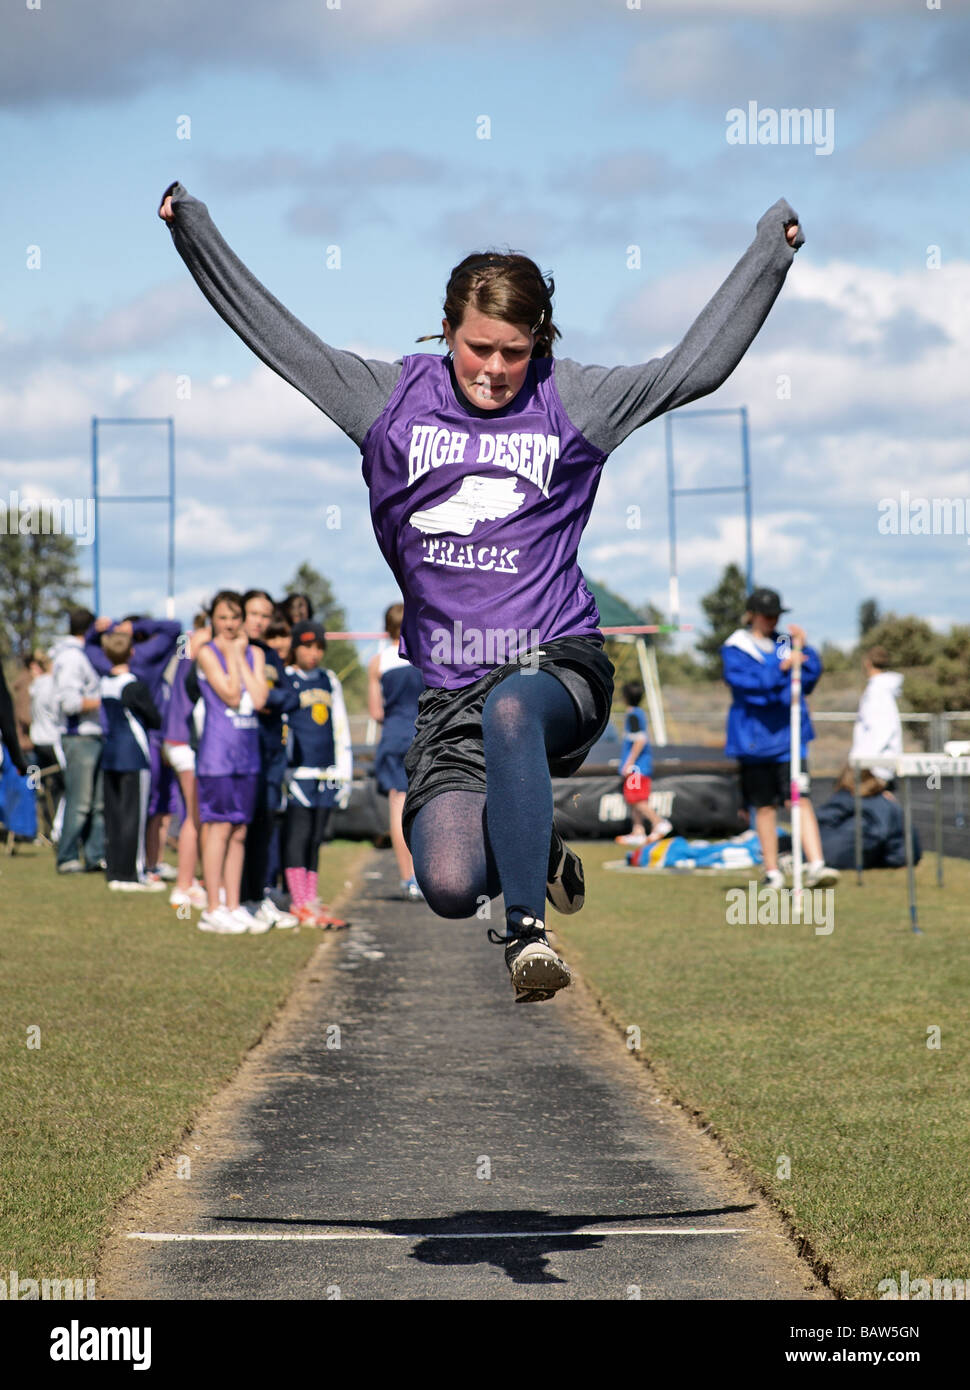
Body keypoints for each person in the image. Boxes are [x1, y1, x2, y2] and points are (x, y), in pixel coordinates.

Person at [159, 180, 804, 1001]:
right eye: (479, 348)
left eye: (515, 351)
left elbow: (693, 369)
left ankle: (530, 931)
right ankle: (538, 852)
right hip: (451, 689)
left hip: (555, 666)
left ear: (539, 341)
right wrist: (196, 235)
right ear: (446, 330)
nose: (496, 370)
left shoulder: (572, 398)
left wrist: (768, 252)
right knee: (452, 884)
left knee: (513, 710)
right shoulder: (387, 397)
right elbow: (282, 342)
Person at [721, 588, 838, 889]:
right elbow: (749, 687)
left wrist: (805, 649)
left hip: (789, 740)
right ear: (752, 615)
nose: (773, 621)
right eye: (767, 615)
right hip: (755, 743)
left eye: (777, 616)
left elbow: (808, 679)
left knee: (800, 799)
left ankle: (816, 865)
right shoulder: (736, 647)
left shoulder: (784, 643)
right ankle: (772, 870)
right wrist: (780, 667)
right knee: (765, 806)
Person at [195, 591, 269, 934]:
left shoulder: (253, 652)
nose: (229, 624)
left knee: (239, 831)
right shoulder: (207, 653)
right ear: (213, 619)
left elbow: (257, 699)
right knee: (219, 829)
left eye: (234, 618)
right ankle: (213, 907)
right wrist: (231, 655)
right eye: (222, 618)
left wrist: (239, 656)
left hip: (247, 756)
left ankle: (233, 903)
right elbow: (228, 692)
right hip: (218, 757)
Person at [282, 622, 352, 927]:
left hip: (326, 771)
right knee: (297, 835)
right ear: (295, 647)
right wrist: (285, 772)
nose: (314, 653)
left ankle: (311, 899)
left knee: (315, 837)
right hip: (298, 772)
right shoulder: (286, 680)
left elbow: (339, 723)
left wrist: (343, 771)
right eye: (307, 646)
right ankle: (297, 901)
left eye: (319, 647)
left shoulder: (328, 679)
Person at [240, 589, 299, 928]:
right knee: (240, 827)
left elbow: (290, 697)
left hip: (272, 753)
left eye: (266, 615)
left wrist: (267, 698)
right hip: (242, 752)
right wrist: (258, 697)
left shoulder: (268, 654)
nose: (260, 621)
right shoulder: (232, 652)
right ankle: (239, 898)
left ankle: (258, 896)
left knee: (265, 825)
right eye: (254, 614)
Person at [99, 629, 165, 891]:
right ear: (132, 652)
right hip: (134, 756)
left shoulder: (104, 683)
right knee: (132, 818)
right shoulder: (133, 685)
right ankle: (132, 875)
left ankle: (115, 871)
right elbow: (155, 718)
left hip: (110, 755)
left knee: (114, 816)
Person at [368, 602, 425, 899]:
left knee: (398, 807)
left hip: (394, 737)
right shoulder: (426, 656)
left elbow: (376, 711)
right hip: (424, 737)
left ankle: (408, 879)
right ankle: (430, 876)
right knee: (427, 806)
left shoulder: (378, 662)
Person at [51, 609, 105, 873]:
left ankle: (95, 855)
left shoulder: (81, 654)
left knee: (97, 803)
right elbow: (70, 703)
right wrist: (107, 701)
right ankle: (68, 856)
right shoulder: (72, 657)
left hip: (92, 734)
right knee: (80, 800)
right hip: (79, 735)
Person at [163, 614, 210, 911]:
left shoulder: (191, 643)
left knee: (191, 813)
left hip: (176, 739)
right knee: (195, 817)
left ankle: (190, 880)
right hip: (185, 742)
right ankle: (183, 885)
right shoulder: (203, 642)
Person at [613, 680, 673, 848]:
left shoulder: (633, 715)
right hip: (639, 766)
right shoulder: (637, 713)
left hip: (637, 767)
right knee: (634, 799)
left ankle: (659, 822)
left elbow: (640, 740)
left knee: (636, 798)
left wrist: (629, 763)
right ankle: (638, 831)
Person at [850, 646, 903, 787]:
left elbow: (881, 729)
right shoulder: (880, 689)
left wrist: (865, 764)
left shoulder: (878, 691)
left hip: (875, 769)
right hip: (876, 766)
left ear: (867, 662)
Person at [28, 652, 66, 841]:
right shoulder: (51, 684)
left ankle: (44, 829)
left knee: (42, 788)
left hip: (37, 741)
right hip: (52, 742)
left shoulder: (35, 686)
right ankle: (56, 830)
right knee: (64, 787)